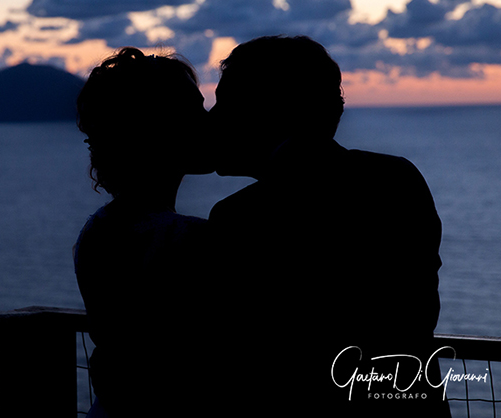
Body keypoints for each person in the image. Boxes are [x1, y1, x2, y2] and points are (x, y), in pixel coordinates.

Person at [207, 35, 450, 417]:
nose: (212, 118)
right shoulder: (397, 179)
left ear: (264, 110)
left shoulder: (242, 217)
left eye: (224, 103)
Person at [73, 47, 213, 418]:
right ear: (157, 127)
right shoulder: (189, 241)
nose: (209, 120)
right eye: (193, 108)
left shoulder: (99, 229)